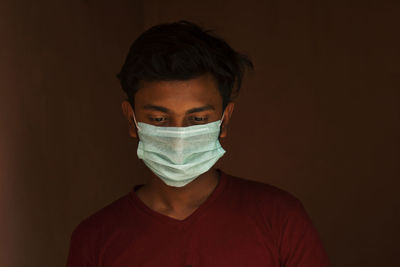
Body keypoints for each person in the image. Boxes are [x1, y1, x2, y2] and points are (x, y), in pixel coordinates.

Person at [67, 20, 330, 267]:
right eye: (159, 118)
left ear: (224, 121)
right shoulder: (95, 240)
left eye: (197, 118)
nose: (179, 134)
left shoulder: (280, 219)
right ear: (131, 119)